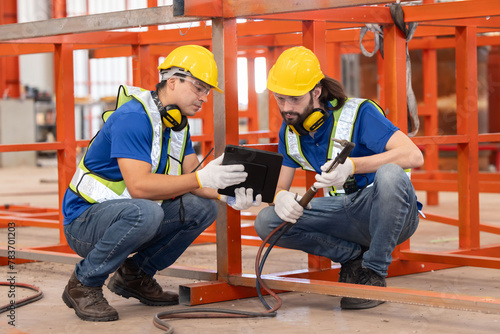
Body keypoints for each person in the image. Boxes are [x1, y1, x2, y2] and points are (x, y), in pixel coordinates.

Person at [61, 44, 261, 322]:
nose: (204, 97)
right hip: (84, 223)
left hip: (127, 217)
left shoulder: (177, 124)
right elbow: (139, 187)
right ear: (173, 81)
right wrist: (200, 178)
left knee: (202, 207)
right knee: (147, 211)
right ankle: (83, 284)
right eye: (198, 88)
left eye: (207, 91)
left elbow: (194, 178)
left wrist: (224, 194)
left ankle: (135, 275)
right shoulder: (133, 118)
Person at [254, 46, 424, 310]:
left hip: (388, 212)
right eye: (279, 99)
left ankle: (373, 274)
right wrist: (280, 197)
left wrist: (352, 166)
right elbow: (280, 184)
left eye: (294, 99)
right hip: (343, 213)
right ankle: (353, 258)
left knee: (390, 175)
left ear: (317, 92)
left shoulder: (360, 113)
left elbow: (413, 155)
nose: (286, 108)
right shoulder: (289, 131)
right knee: (267, 221)